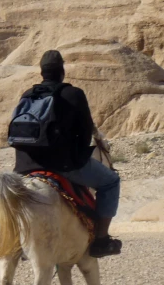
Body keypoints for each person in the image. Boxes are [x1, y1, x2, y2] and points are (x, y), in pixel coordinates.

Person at [12, 50, 121, 258]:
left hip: (25, 165)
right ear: (62, 71)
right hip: (63, 164)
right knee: (111, 182)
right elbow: (86, 129)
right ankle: (101, 239)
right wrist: (77, 155)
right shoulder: (73, 94)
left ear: (42, 72)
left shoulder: (27, 95)